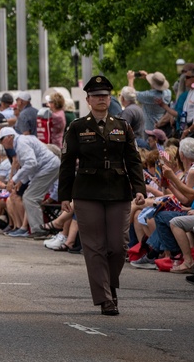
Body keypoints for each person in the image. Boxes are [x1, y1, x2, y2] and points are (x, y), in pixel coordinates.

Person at [59, 74, 146, 316]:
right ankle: (105, 298)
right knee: (95, 247)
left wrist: (140, 189)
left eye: (105, 96)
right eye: (96, 96)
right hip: (87, 192)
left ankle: (109, 284)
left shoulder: (122, 126)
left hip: (118, 191)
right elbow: (67, 163)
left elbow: (134, 161)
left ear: (110, 99)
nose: (101, 99)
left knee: (119, 247)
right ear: (88, 100)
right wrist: (64, 195)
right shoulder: (77, 127)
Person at [0, 127, 60, 239]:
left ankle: (39, 230)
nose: (1, 143)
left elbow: (31, 163)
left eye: (2, 139)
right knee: (30, 197)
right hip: (48, 167)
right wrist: (21, 181)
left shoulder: (21, 143)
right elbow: (31, 165)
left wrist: (14, 180)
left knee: (30, 197)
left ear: (10, 137)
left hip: (48, 167)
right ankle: (38, 229)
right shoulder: (21, 142)